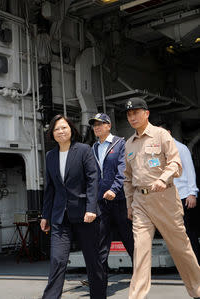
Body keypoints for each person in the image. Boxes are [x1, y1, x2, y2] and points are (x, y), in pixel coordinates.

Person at [123, 97, 200, 299]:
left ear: (146, 113)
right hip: (141, 203)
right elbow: (128, 179)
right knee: (140, 252)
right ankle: (136, 296)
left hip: (165, 199)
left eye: (136, 113)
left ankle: (197, 290)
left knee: (181, 249)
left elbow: (176, 163)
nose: (132, 117)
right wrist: (129, 204)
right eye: (129, 114)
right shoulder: (129, 145)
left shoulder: (161, 136)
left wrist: (163, 179)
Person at [40, 114, 105, 299]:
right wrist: (45, 215)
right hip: (60, 217)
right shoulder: (50, 156)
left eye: (64, 128)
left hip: (86, 215)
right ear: (52, 134)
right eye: (56, 129)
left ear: (71, 130)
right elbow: (50, 188)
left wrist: (91, 208)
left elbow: (93, 180)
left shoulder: (84, 150)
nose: (61, 131)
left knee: (93, 261)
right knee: (57, 260)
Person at [89, 113, 134, 292]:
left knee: (130, 240)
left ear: (109, 125)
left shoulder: (120, 144)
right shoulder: (93, 148)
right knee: (100, 244)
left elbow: (123, 170)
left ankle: (140, 278)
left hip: (120, 201)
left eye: (100, 124)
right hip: (101, 203)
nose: (97, 127)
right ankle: (100, 286)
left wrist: (114, 190)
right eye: (94, 125)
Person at [159, 123, 200, 265]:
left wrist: (192, 193)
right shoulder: (160, 153)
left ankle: (195, 263)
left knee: (188, 232)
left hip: (183, 196)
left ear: (169, 133)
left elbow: (190, 171)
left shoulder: (180, 149)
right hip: (168, 198)